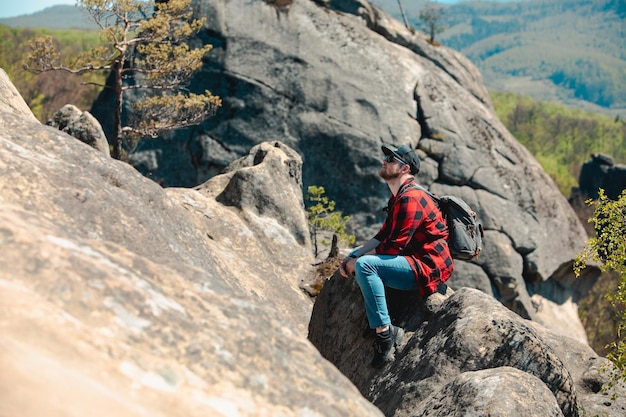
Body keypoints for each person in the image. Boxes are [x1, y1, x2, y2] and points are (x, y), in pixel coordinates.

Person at [339, 144, 454, 368]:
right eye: (386, 157)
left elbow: (392, 247)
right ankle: (380, 314)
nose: (384, 161)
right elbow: (383, 235)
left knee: (365, 266)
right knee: (358, 258)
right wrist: (353, 255)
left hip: (428, 266)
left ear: (404, 168)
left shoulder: (411, 198)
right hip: (412, 260)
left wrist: (357, 262)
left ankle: (386, 334)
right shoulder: (398, 196)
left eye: (391, 159)